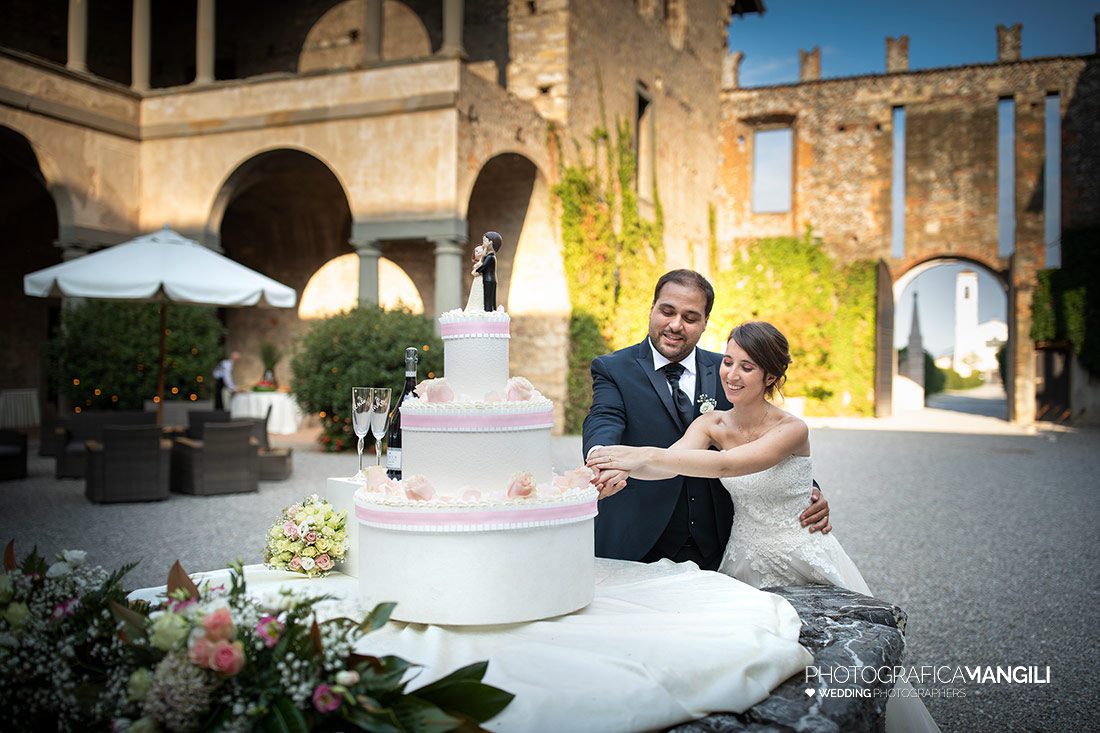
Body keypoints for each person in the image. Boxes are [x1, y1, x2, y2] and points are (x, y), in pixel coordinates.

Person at [587, 321, 940, 732]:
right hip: (743, 558)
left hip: (802, 557)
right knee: (755, 666)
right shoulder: (712, 424)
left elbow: (727, 465)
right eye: (728, 362)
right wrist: (617, 470)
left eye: (747, 367)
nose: (732, 375)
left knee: (827, 671)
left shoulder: (792, 429)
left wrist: (641, 455)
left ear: (770, 376)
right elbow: (670, 465)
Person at [582, 270, 830, 572]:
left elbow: (765, 436)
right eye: (667, 311)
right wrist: (603, 461)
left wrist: (804, 491)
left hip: (719, 542)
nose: (676, 325)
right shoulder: (613, 368)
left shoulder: (729, 370)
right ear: (652, 308)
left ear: (705, 322)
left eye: (690, 317)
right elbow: (604, 418)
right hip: (639, 536)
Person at [476, 231, 502, 312]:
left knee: (488, 298)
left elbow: (483, 266)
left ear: (490, 243)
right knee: (490, 298)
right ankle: (492, 310)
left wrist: (477, 270)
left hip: (488, 280)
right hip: (491, 280)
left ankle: (489, 312)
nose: (483, 244)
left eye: (484, 241)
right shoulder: (490, 256)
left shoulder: (490, 257)